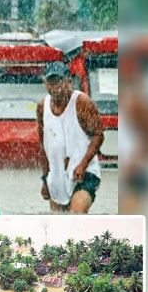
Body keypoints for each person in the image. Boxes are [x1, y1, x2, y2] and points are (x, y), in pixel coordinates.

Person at [37, 61, 104, 213]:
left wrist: (83, 164)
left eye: (59, 81)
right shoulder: (42, 106)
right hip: (57, 176)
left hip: (84, 173)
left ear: (69, 81)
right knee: (59, 227)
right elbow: (43, 145)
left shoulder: (82, 102)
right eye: (51, 82)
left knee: (76, 216)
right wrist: (45, 179)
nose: (56, 87)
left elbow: (98, 135)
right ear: (45, 83)